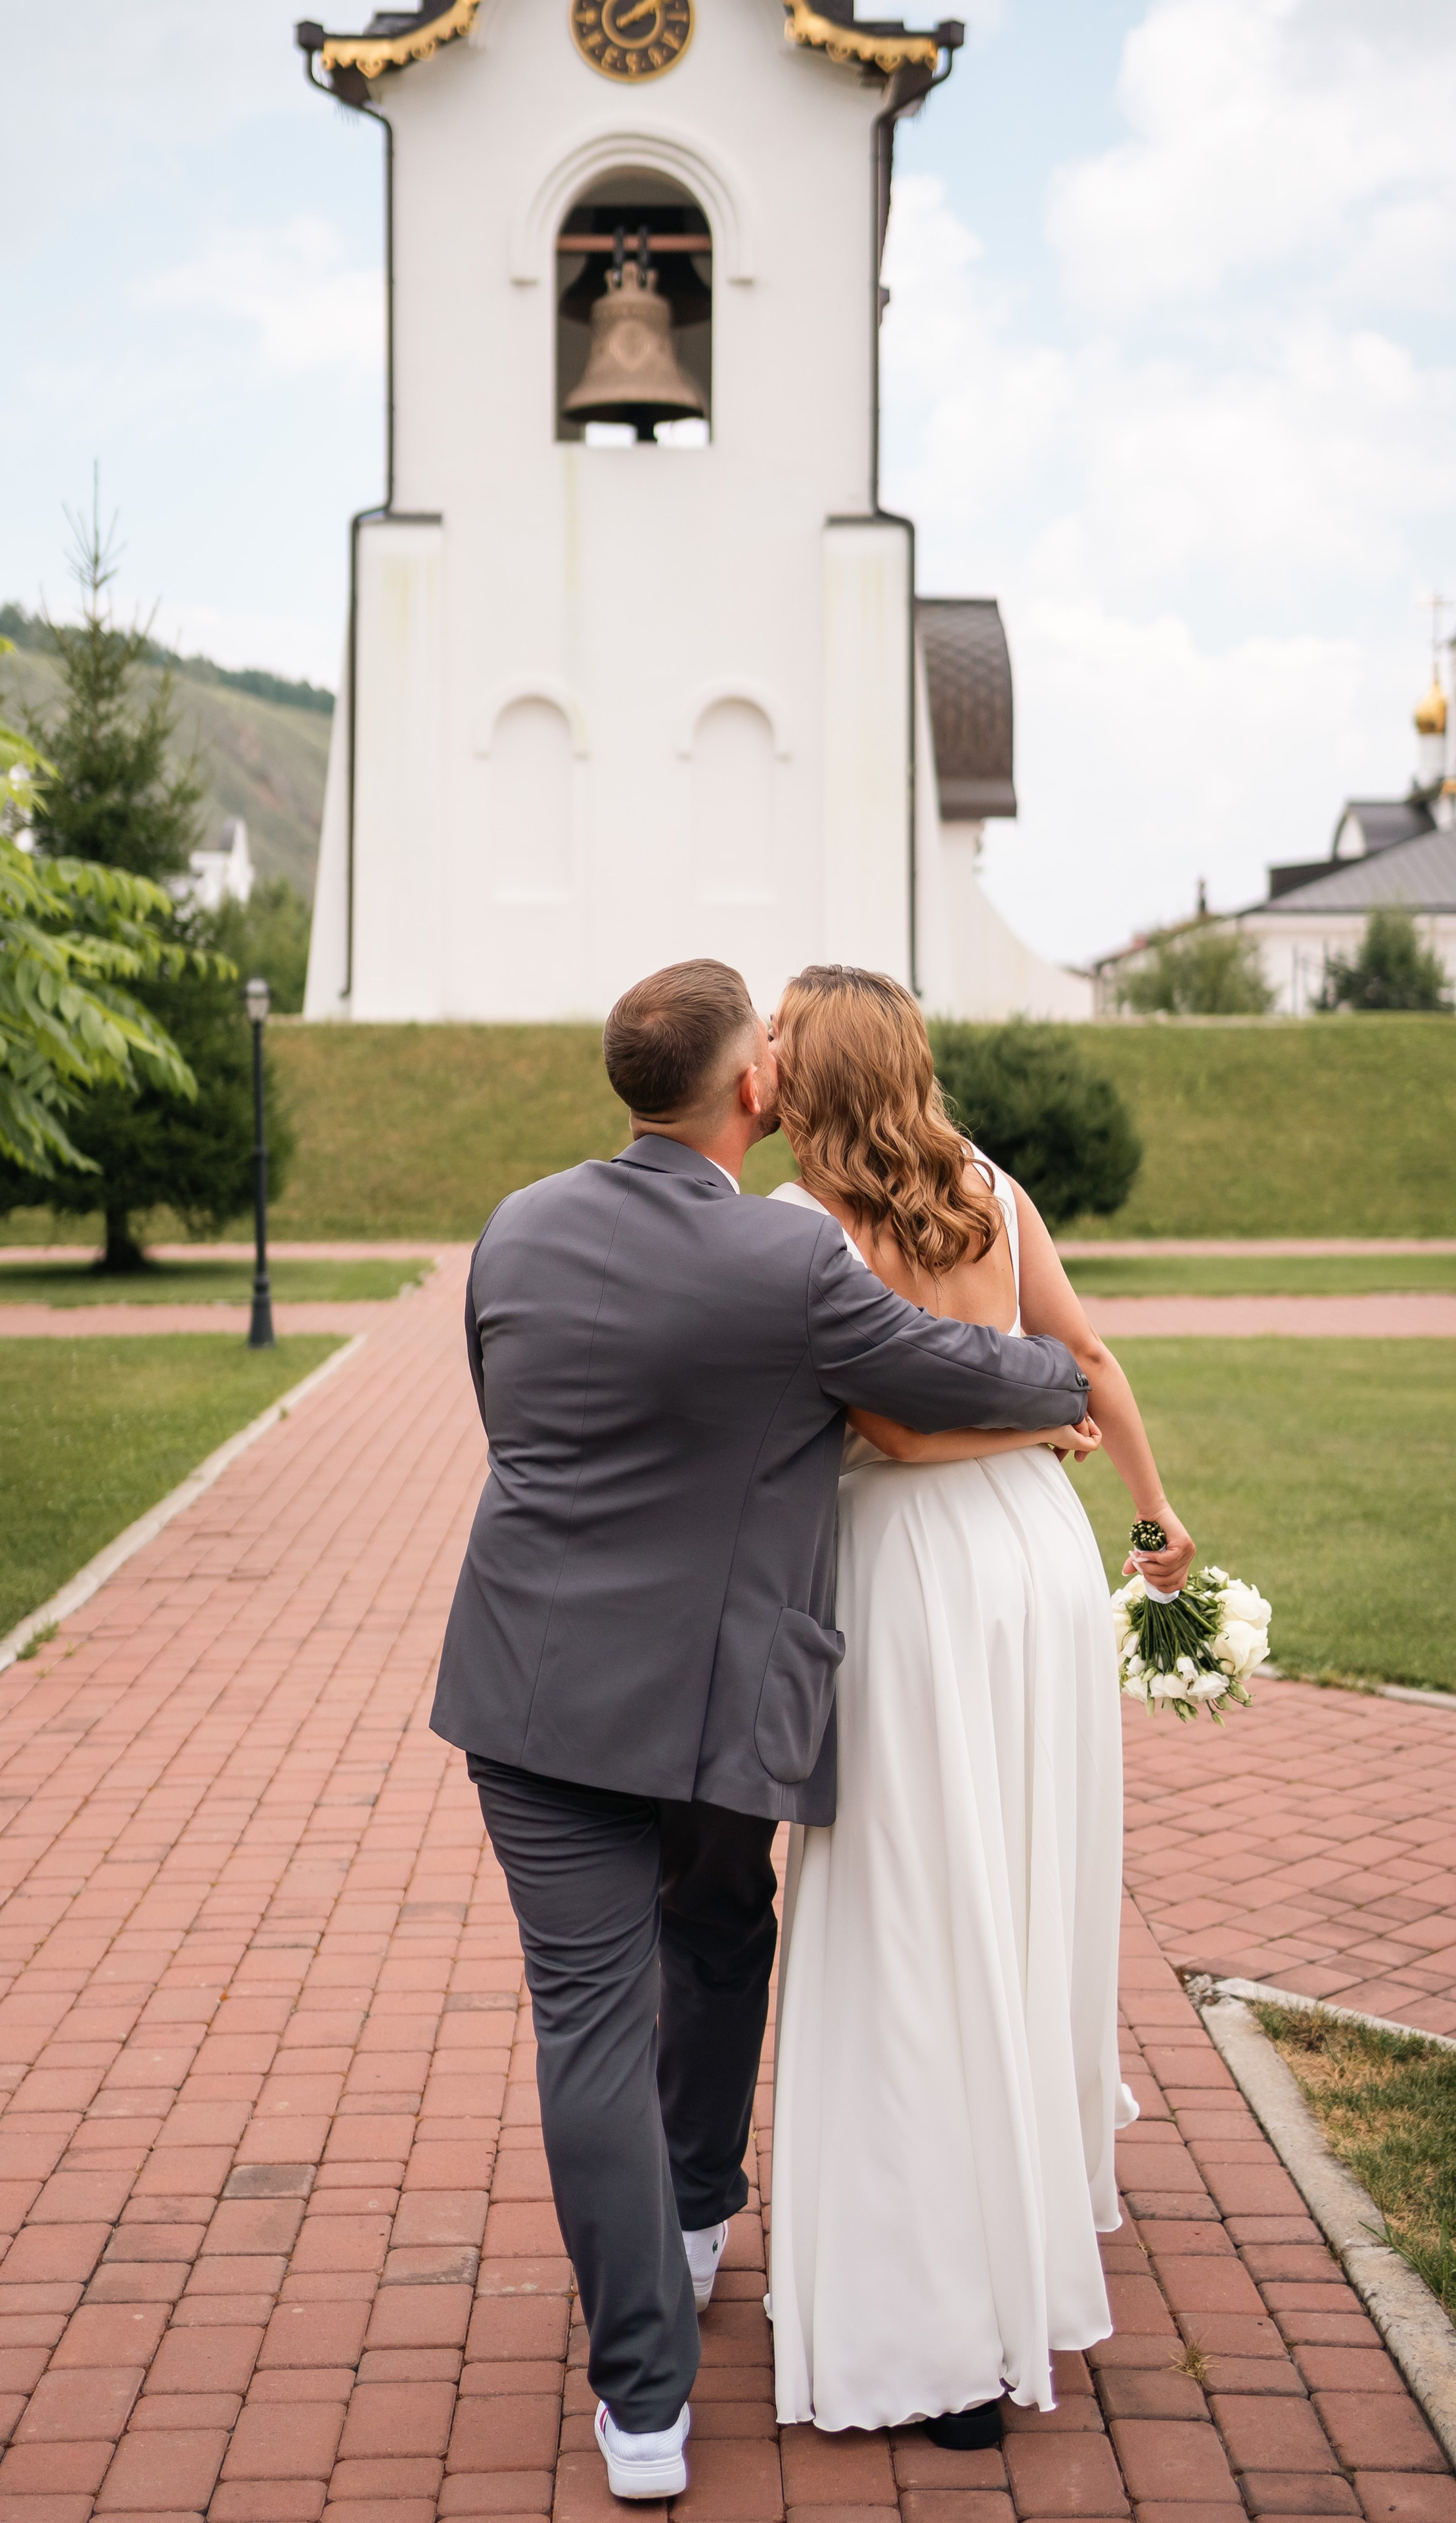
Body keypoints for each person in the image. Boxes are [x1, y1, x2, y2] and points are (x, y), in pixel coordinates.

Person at [430, 959, 1095, 2501]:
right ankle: (690, 2214)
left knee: (585, 2022)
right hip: (715, 1701)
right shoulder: (788, 1266)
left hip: (524, 1686)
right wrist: (1060, 1378)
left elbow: (503, 1409)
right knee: (721, 1927)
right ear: (751, 1091)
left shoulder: (514, 1226)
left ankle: (643, 2406)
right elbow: (945, 1376)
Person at [764, 964, 1195, 2447]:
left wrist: (1016, 1437)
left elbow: (882, 1426)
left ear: (809, 1072)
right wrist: (1145, 1511)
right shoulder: (987, 1186)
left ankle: (940, 2315)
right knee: (1017, 1884)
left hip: (916, 1583)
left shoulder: (798, 1224)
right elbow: (1081, 1355)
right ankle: (1030, 2207)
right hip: (1036, 1568)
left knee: (910, 1912)